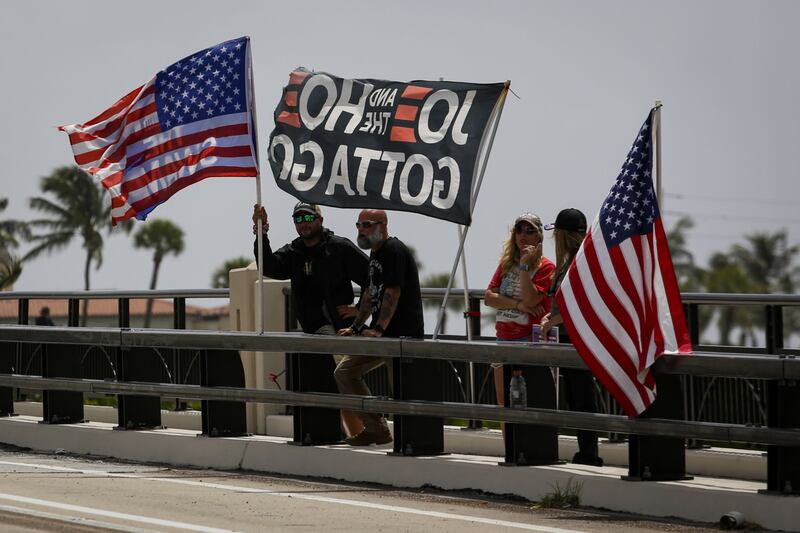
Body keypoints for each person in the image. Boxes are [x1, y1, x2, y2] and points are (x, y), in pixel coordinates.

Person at [252, 201, 369, 437]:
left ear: (320, 220)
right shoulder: (295, 251)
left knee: (344, 382)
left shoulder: (339, 247)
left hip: (340, 331)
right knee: (334, 386)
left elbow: (372, 277)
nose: (303, 224)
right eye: (298, 220)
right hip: (312, 332)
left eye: (308, 218)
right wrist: (261, 231)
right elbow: (269, 266)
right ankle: (356, 434)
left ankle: (367, 431)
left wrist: (360, 310)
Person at [337, 209, 424, 446]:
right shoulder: (374, 255)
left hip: (400, 337)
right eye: (358, 225)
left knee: (401, 391)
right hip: (382, 336)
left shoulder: (394, 250)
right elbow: (368, 293)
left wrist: (378, 329)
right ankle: (376, 428)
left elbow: (392, 292)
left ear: (383, 225)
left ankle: (412, 442)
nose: (361, 230)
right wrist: (355, 328)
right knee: (344, 372)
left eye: (367, 225)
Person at [540, 208, 604, 467]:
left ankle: (590, 452)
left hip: (577, 339)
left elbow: (578, 305)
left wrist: (551, 321)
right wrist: (550, 319)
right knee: (576, 397)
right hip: (568, 338)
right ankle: (586, 450)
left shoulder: (579, 262)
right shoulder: (573, 261)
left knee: (583, 396)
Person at [484, 213, 555, 409]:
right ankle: (509, 441)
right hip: (503, 337)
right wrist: (518, 305)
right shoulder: (506, 263)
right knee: (504, 404)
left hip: (530, 339)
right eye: (519, 230)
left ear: (539, 237)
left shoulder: (546, 267)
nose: (523, 235)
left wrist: (525, 265)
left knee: (532, 403)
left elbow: (532, 300)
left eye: (529, 231)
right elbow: (489, 298)